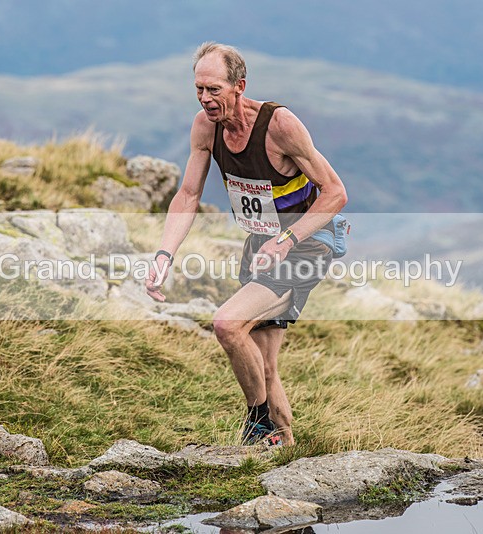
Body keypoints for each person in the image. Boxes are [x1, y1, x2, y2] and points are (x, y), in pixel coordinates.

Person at [145, 42, 347, 447]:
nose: (205, 99)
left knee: (227, 323)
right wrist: (164, 255)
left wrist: (288, 238)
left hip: (306, 244)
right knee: (263, 364)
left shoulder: (279, 125)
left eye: (214, 89)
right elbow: (187, 196)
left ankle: (257, 424)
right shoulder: (205, 128)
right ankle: (284, 446)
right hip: (260, 244)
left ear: (239, 85)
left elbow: (336, 193)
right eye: (199, 89)